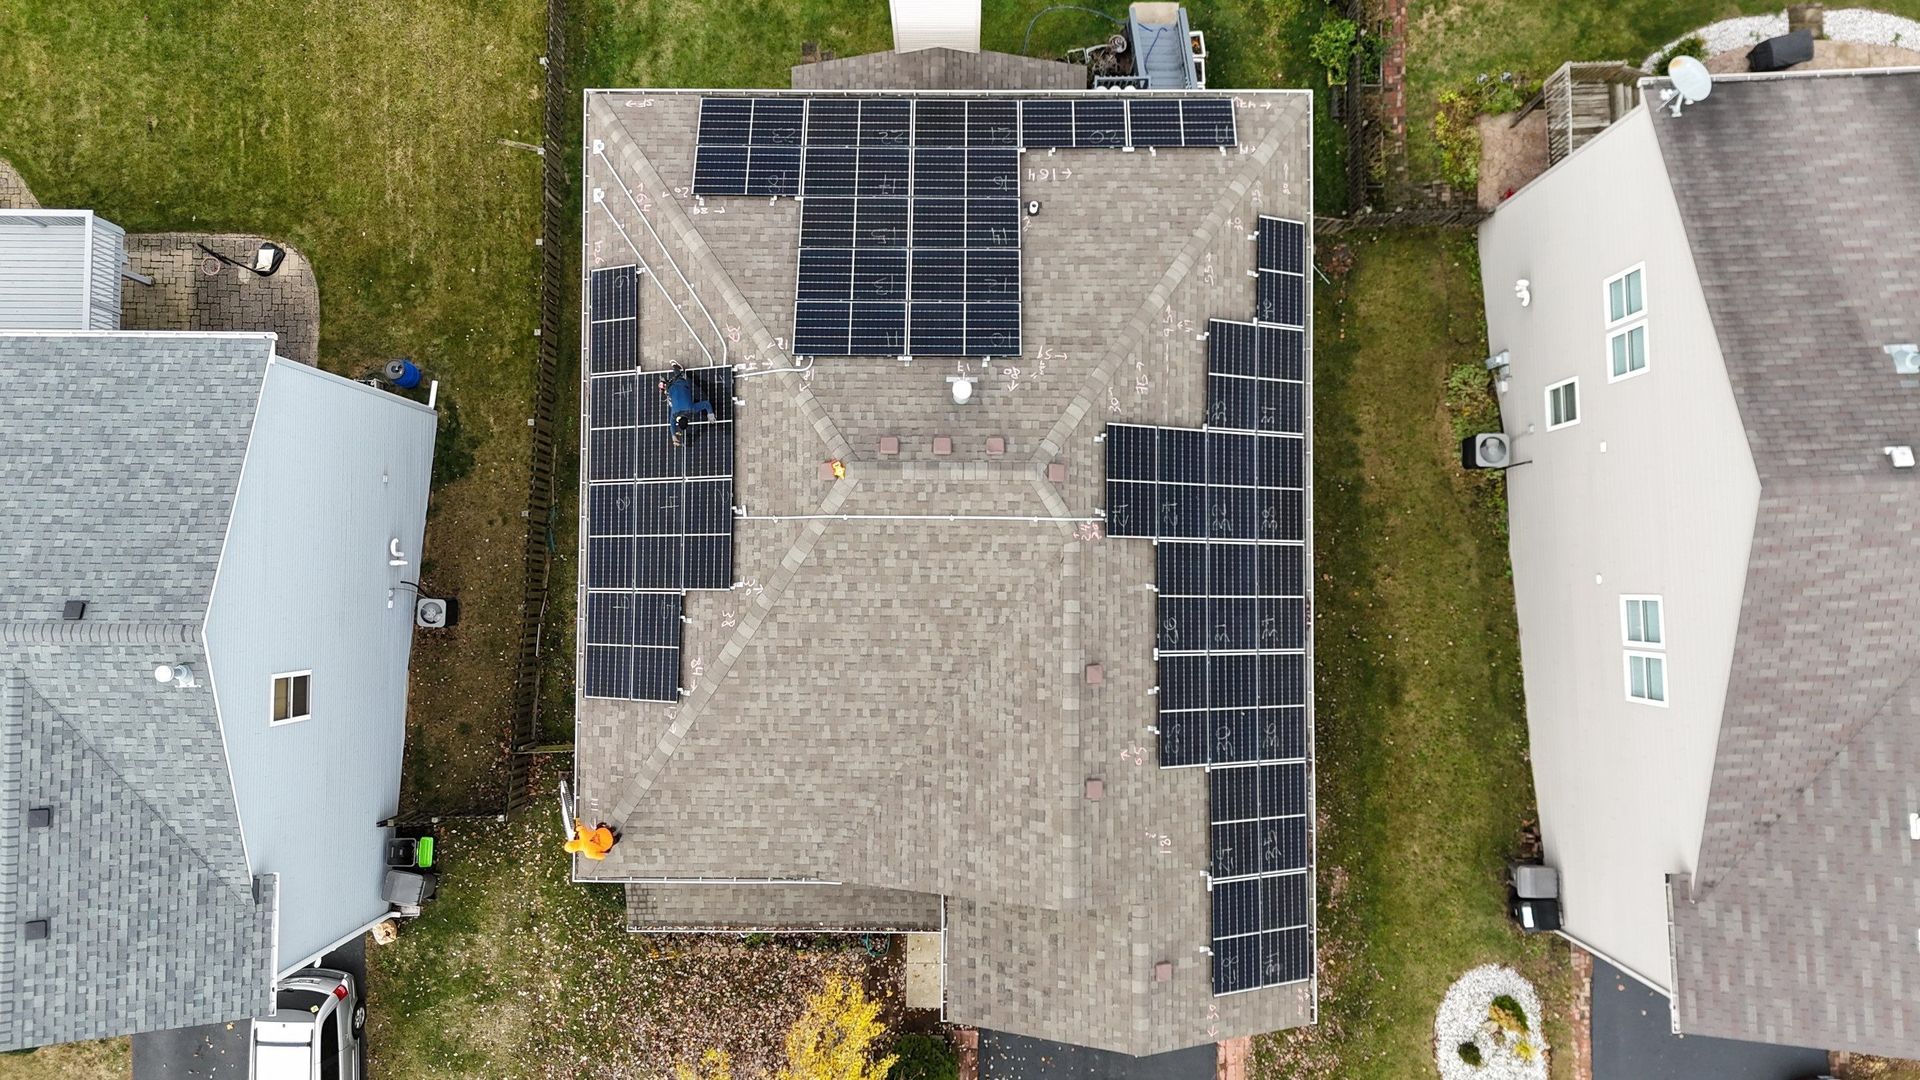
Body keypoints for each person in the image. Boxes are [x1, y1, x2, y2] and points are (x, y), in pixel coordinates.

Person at [659, 362, 717, 447]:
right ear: (678, 420)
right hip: (671, 388)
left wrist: (710, 414)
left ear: (688, 420)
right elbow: (671, 423)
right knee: (669, 399)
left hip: (682, 382)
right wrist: (673, 436)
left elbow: (707, 404)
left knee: (679, 381)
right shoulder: (674, 413)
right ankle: (668, 378)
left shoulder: (692, 409)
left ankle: (676, 369)